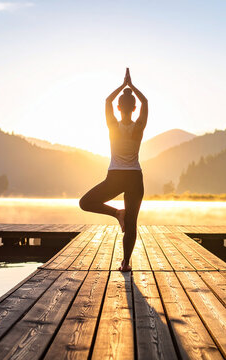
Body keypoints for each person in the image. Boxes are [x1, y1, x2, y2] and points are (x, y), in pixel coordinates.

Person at [79, 68, 148, 272]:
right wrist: (132, 86)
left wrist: (123, 85)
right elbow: (146, 103)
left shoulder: (112, 126)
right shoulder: (139, 127)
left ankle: (117, 213)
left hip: (116, 176)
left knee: (85, 202)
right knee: (132, 222)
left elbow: (107, 101)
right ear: (134, 108)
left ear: (119, 107)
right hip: (135, 177)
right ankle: (125, 263)